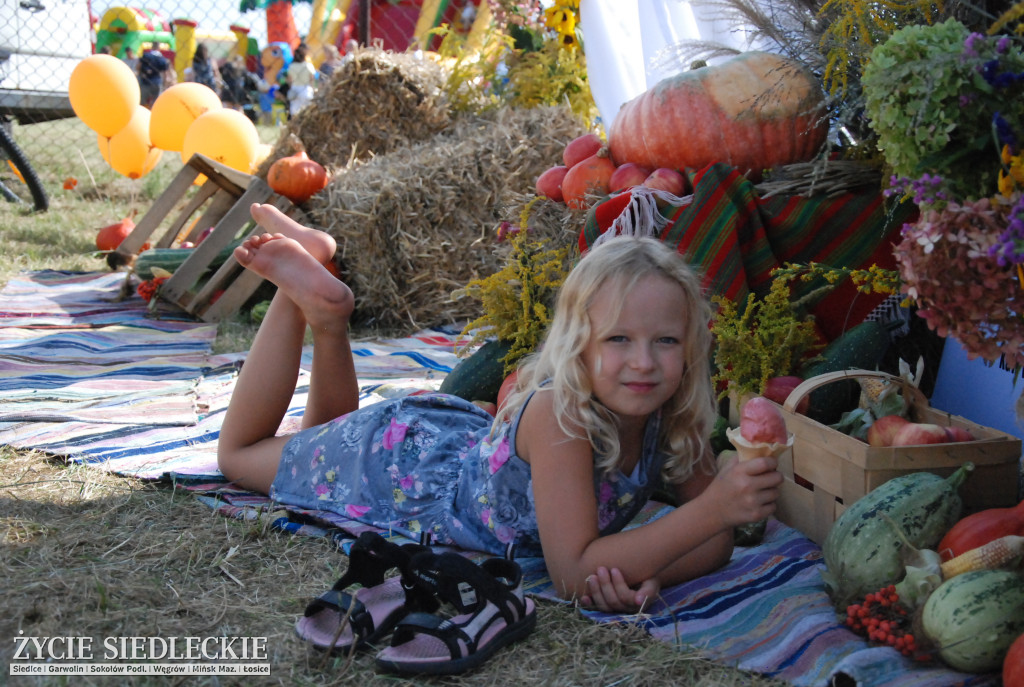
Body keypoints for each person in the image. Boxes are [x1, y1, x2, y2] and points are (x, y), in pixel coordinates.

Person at [216, 206, 782, 613]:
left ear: (690, 347)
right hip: (397, 470)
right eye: (618, 340)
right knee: (240, 457)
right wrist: (712, 513)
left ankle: (326, 311)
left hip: (441, 445)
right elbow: (574, 574)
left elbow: (714, 542)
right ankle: (302, 303)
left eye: (665, 341)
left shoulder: (671, 418)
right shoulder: (563, 413)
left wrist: (643, 572)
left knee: (319, 441)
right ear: (578, 345)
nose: (644, 363)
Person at [285, 43, 317, 116]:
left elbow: (289, 80)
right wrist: (314, 89)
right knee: (307, 112)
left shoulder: (292, 66)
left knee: (294, 112)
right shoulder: (308, 65)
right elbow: (312, 79)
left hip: (295, 89)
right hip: (306, 89)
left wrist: (291, 88)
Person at [138, 43, 170, 108]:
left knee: (142, 103)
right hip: (157, 82)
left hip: (145, 82)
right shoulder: (162, 59)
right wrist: (165, 85)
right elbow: (165, 74)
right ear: (159, 48)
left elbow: (138, 66)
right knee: (155, 103)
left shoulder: (146, 56)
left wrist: (141, 74)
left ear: (152, 47)